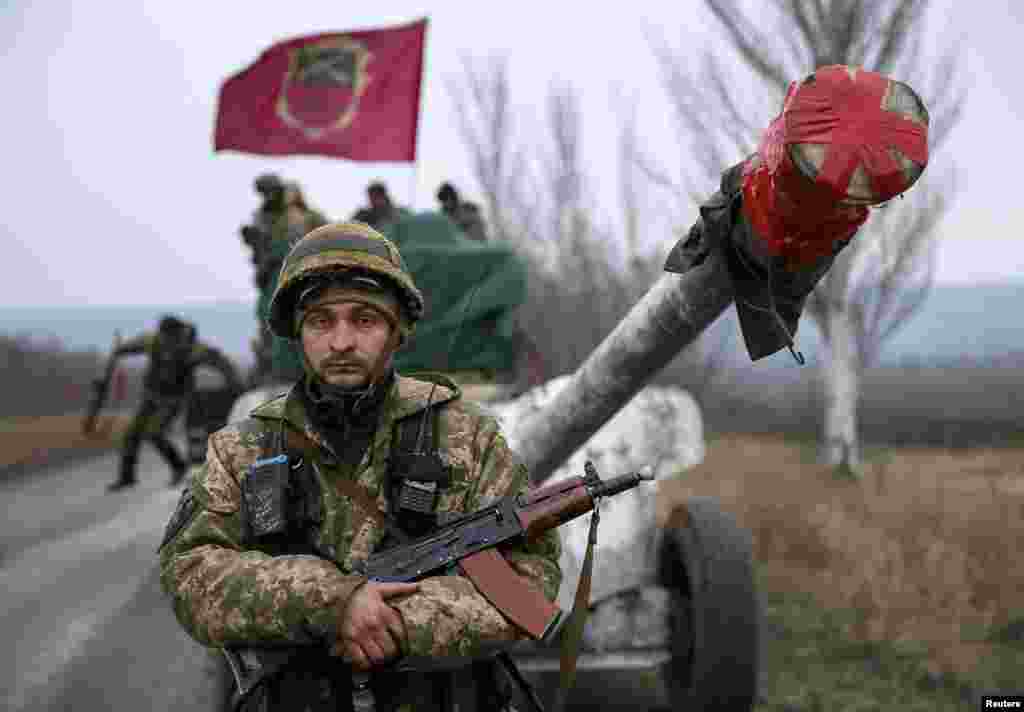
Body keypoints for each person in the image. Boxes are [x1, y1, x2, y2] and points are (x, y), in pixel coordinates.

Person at [158, 222, 561, 711]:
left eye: (365, 320)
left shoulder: (467, 437)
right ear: (298, 333)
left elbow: (529, 579)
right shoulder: (244, 448)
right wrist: (331, 603)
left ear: (396, 332)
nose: (342, 341)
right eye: (321, 321)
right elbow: (192, 572)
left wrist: (396, 623)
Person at [107, 315, 242, 492]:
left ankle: (178, 467)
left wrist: (233, 380)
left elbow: (217, 359)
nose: (166, 342)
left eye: (170, 338)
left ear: (177, 335)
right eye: (163, 336)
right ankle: (126, 477)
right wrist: (120, 350)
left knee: (155, 432)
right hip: (151, 396)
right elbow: (133, 346)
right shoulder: (153, 341)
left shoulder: (190, 348)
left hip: (173, 400)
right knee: (132, 433)